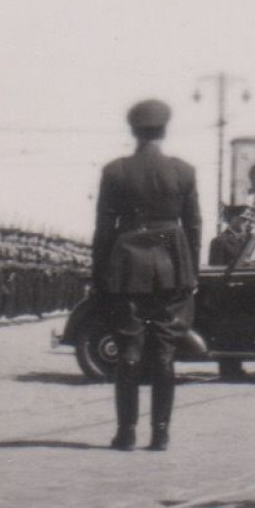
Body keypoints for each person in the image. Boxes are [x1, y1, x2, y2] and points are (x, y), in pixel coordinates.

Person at [92, 98, 201, 451]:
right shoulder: (184, 171)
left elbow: (104, 230)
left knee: (129, 349)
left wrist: (100, 276)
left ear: (133, 131)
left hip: (126, 270)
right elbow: (194, 225)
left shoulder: (115, 172)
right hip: (173, 267)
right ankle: (161, 433)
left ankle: (126, 433)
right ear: (164, 130)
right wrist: (191, 271)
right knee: (165, 351)